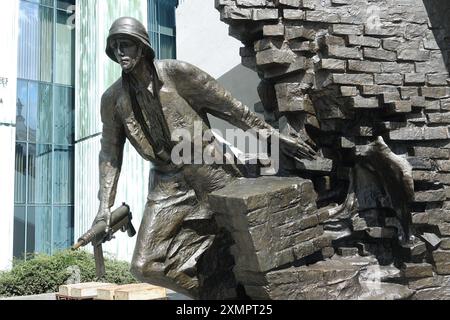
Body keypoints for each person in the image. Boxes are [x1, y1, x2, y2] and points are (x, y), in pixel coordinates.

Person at [93, 17, 316, 298]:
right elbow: (110, 153)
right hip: (167, 183)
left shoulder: (177, 73)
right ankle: (220, 296)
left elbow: (231, 108)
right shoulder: (112, 99)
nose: (119, 52)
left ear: (141, 47)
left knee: (241, 245)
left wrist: (273, 136)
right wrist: (104, 206)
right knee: (144, 265)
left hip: (211, 170)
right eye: (114, 47)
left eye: (125, 44)